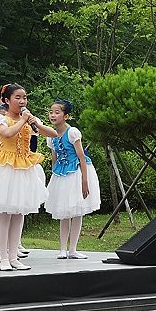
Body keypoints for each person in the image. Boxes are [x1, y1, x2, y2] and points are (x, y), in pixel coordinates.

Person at [0, 84, 51, 271]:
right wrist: (23, 120)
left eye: (24, 97)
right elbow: (6, 133)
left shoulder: (27, 119)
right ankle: (3, 257)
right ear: (7, 100)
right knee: (4, 213)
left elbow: (52, 133)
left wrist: (38, 123)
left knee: (19, 213)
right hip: (5, 168)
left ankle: (14, 256)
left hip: (23, 168)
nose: (22, 101)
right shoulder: (1, 118)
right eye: (18, 97)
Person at [44, 99, 100, 259]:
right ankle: (63, 248)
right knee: (63, 212)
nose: (53, 115)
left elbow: (82, 157)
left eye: (57, 112)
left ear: (66, 116)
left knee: (77, 211)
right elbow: (54, 158)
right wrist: (53, 178)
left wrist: (84, 181)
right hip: (61, 175)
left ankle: (73, 249)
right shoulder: (51, 135)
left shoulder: (73, 132)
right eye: (51, 112)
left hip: (76, 173)